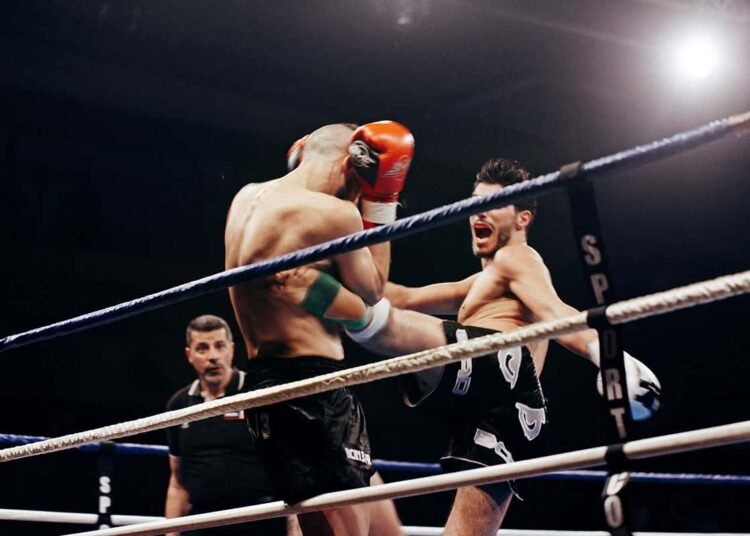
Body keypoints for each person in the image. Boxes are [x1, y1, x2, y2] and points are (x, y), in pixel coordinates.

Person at [271, 158, 662, 536]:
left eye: (493, 204)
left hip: (507, 377)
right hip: (503, 412)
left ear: (522, 219)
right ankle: (333, 299)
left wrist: (610, 358)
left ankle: (324, 297)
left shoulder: (517, 258)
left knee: (386, 327)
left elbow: (555, 312)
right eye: (475, 204)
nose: (479, 212)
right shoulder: (480, 282)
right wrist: (340, 258)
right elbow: (401, 296)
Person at [224, 121, 414, 535]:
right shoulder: (336, 213)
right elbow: (374, 289)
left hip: (263, 387)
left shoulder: (245, 198)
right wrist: (381, 200)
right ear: (351, 165)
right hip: (316, 389)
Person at [165, 314, 293, 536]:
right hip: (203, 523)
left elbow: (289, 468)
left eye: (219, 346)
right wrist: (170, 534)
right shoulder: (179, 404)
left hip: (260, 520)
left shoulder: (259, 394)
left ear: (232, 349)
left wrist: (294, 527)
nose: (213, 356)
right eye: (202, 348)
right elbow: (178, 483)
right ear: (189, 355)